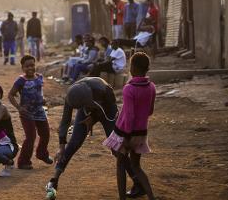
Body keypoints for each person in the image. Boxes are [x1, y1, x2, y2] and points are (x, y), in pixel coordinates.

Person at [45, 77, 140, 196]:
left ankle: (137, 181)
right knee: (74, 142)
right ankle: (54, 179)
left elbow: (107, 112)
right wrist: (61, 146)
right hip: (87, 108)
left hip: (107, 109)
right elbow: (65, 121)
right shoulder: (72, 96)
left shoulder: (105, 91)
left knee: (117, 147)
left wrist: (93, 117)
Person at [103, 52, 157, 200]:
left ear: (133, 67)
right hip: (141, 133)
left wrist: (126, 137)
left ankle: (122, 198)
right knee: (137, 167)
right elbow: (150, 110)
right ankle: (152, 196)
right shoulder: (151, 86)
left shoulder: (129, 89)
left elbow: (130, 116)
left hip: (126, 133)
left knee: (120, 165)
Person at [8, 55, 52, 170]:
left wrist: (43, 100)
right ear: (23, 68)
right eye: (27, 66)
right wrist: (18, 107)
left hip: (40, 112)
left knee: (46, 134)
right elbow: (10, 95)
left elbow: (39, 92)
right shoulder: (21, 80)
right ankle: (23, 162)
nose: (30, 68)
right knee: (31, 137)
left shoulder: (40, 77)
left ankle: (42, 154)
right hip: (27, 114)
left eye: (32, 65)